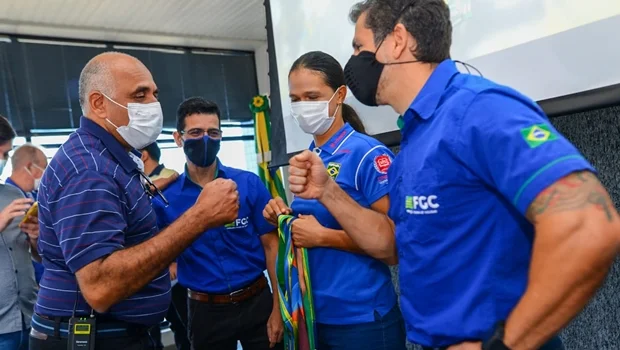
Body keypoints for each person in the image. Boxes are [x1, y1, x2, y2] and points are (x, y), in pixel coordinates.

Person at [287, 1, 620, 350]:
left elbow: (589, 225)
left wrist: (504, 345)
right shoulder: (417, 134)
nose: (353, 60)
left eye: (359, 47)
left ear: (397, 40)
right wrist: (329, 192)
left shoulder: (478, 109)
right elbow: (390, 246)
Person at [30, 52, 240, 350]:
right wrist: (200, 216)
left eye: (154, 94)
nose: (153, 105)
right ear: (99, 104)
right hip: (95, 337)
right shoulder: (90, 171)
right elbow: (100, 287)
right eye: (139, 95)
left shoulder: (107, 158)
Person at [263, 51, 406, 350]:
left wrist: (324, 237)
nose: (302, 107)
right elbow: (310, 224)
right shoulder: (310, 156)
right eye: (295, 98)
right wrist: (284, 217)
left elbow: (394, 244)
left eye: (312, 96)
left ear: (340, 94)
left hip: (362, 320)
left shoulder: (368, 154)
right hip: (315, 315)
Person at [151, 97, 283, 350]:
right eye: (195, 132)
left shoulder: (248, 183)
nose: (205, 139)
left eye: (213, 132)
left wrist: (278, 307)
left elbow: (271, 246)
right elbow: (155, 253)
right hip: (205, 311)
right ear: (178, 138)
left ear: (221, 136)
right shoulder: (166, 200)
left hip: (257, 301)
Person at [139, 142, 187, 350]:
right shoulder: (138, 182)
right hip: (146, 271)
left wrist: (176, 262)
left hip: (173, 273)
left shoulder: (172, 177)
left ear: (143, 155)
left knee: (182, 326)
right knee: (149, 331)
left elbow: (181, 225)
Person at [0, 116, 40, 350]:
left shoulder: (15, 196)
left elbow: (35, 255)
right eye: (3, 154)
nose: (5, 160)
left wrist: (35, 239)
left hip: (29, 316)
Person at [5, 144, 48, 285]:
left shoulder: (33, 198)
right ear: (30, 167)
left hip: (32, 291)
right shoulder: (6, 201)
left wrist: (36, 237)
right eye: (44, 168)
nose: (46, 174)